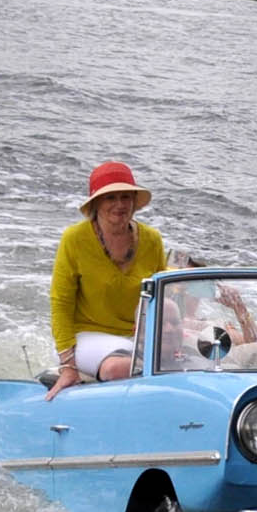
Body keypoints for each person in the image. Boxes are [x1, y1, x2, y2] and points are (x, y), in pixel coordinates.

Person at [45, 162, 167, 400]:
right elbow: (60, 303)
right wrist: (68, 365)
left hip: (136, 337)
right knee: (117, 369)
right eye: (110, 197)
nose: (120, 205)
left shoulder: (152, 239)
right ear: (96, 203)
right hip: (85, 335)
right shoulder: (74, 239)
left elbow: (160, 295)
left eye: (125, 197)